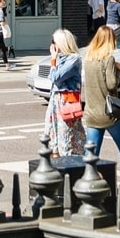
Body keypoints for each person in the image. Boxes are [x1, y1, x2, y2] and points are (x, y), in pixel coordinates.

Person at [80, 25, 120, 201]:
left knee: (91, 154)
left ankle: (89, 188)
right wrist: (118, 69)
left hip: (91, 113)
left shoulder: (88, 59)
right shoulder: (109, 59)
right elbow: (112, 85)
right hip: (109, 114)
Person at [41, 29, 85, 158]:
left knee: (67, 134)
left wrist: (53, 60)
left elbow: (56, 77)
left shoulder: (74, 59)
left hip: (67, 100)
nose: (52, 45)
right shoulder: (61, 58)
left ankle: (70, 163)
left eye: (54, 42)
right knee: (52, 132)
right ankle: (56, 157)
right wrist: (55, 60)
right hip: (56, 100)